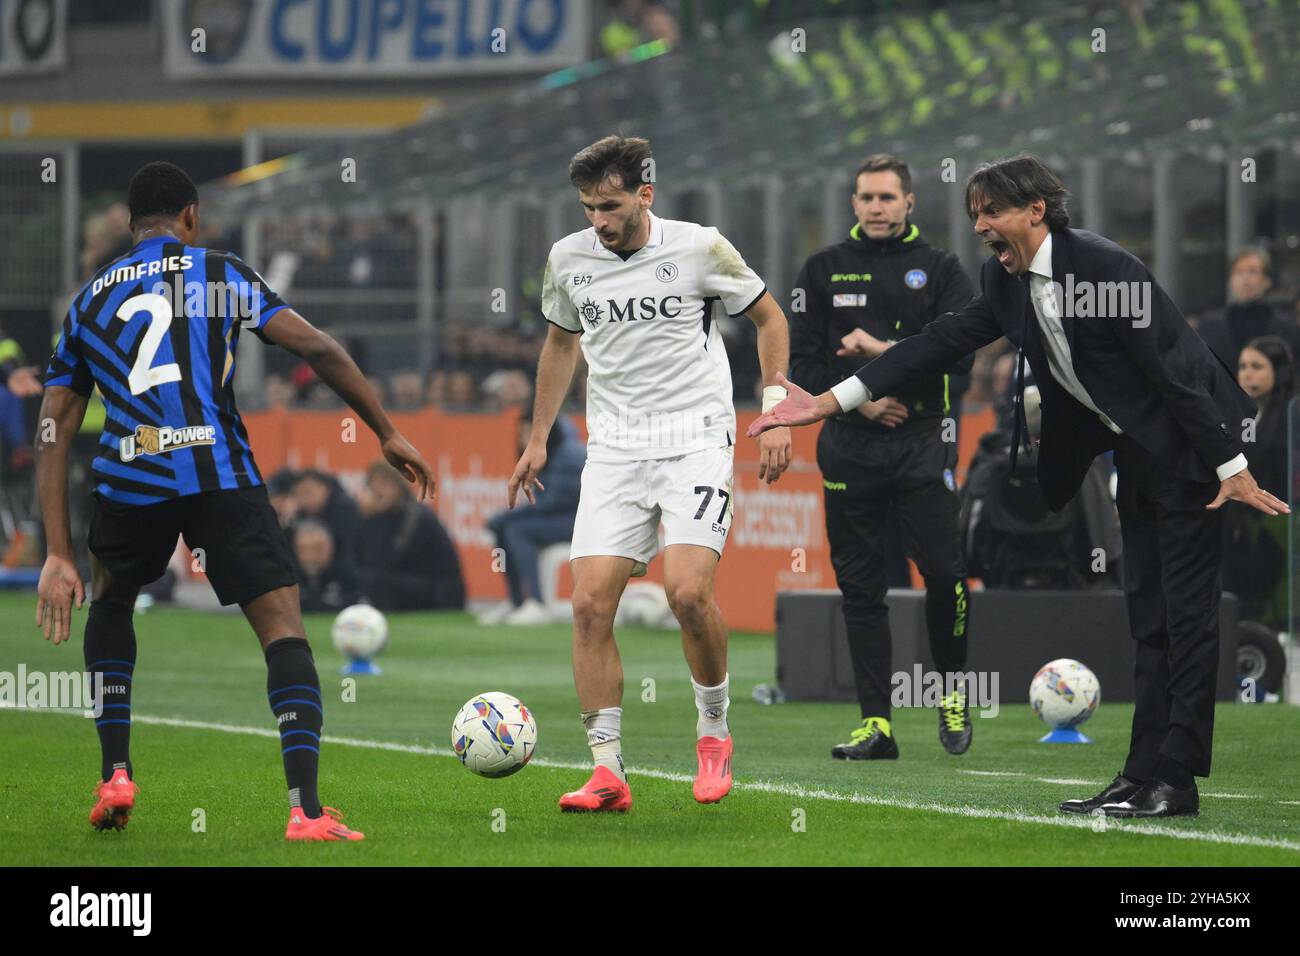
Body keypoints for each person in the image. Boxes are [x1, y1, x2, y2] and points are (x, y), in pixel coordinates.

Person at [750, 155, 1286, 819]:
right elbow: (938, 342)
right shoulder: (1003, 280)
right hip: (1137, 457)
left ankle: (1177, 778)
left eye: (992, 211)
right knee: (1148, 619)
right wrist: (828, 402)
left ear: (1036, 210)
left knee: (1189, 621)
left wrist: (1231, 467)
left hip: (1193, 455)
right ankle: (1141, 771)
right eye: (974, 214)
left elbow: (1177, 368)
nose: (980, 226)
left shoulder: (1104, 268)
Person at [35, 161, 435, 842]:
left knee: (110, 603)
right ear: (190, 217)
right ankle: (304, 810)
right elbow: (318, 346)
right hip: (215, 470)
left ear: (132, 227)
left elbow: (54, 427)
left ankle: (116, 774)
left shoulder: (89, 299)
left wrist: (57, 552)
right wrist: (387, 430)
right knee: (281, 625)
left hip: (130, 476)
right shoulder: (216, 274)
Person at [510, 134, 792, 811]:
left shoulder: (700, 247)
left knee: (687, 596)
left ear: (645, 194)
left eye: (609, 206)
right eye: (587, 209)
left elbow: (768, 316)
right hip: (613, 447)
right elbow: (559, 342)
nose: (598, 223)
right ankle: (607, 771)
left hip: (694, 438)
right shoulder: (569, 259)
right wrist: (538, 436)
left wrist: (777, 406)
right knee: (586, 605)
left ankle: (714, 731)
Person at [789, 153, 977, 760]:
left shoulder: (942, 268)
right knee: (861, 588)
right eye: (867, 198)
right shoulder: (822, 269)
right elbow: (803, 364)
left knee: (945, 574)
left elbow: (960, 358)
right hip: (849, 445)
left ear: (909, 203)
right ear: (853, 203)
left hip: (922, 442)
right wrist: (859, 402)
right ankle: (878, 725)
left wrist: (880, 352)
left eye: (887, 198)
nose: (876, 208)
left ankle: (952, 692)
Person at [482, 415, 586, 626]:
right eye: (520, 433)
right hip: (561, 518)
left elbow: (551, 502)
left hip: (580, 521)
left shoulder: (569, 455)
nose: (522, 439)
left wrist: (504, 515)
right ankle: (516, 600)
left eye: (527, 433)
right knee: (503, 529)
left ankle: (536, 601)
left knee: (516, 530)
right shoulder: (551, 453)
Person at [354, 460, 465, 611]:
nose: (376, 490)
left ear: (399, 486)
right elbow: (357, 560)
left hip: (435, 593)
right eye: (372, 484)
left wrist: (371, 520)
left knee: (378, 580)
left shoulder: (416, 517)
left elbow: (389, 558)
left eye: (384, 483)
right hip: (404, 585)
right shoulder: (373, 516)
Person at [1196, 247, 1297, 370]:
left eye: (1252, 271)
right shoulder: (1208, 325)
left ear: (1267, 280)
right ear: (1230, 280)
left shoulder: (1288, 326)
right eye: (1238, 272)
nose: (1245, 278)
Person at [292, 518, 362, 614]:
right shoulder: (289, 578)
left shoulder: (346, 575)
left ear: (331, 548)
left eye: (318, 548)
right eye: (304, 550)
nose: (311, 556)